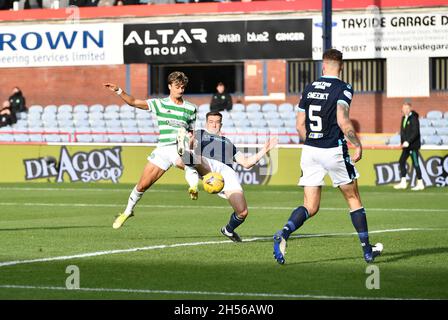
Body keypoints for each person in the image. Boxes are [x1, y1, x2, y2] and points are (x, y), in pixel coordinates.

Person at [272, 49, 383, 265]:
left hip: (310, 150)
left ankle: (284, 232)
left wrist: (313, 142)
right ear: (341, 67)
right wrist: (357, 143)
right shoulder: (344, 88)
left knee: (310, 206)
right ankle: (367, 250)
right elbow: (343, 119)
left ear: (323, 65)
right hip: (333, 149)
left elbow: (299, 125)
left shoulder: (309, 87)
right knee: (353, 199)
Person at [103, 71, 200, 229]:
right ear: (170, 86)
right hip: (162, 150)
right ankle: (127, 212)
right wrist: (118, 90)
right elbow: (134, 102)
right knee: (142, 186)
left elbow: (191, 132)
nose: (181, 89)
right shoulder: (160, 104)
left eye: (183, 87)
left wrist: (190, 141)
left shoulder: (191, 108)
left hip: (178, 147)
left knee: (188, 163)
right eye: (177, 86)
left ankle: (194, 187)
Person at [179, 111, 277, 242]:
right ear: (206, 123)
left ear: (221, 124)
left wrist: (264, 150)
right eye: (211, 122)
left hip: (227, 173)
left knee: (242, 212)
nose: (214, 125)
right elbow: (191, 144)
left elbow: (246, 163)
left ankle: (228, 230)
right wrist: (188, 140)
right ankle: (185, 155)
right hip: (208, 164)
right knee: (196, 158)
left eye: (217, 122)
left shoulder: (229, 143)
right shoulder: (199, 134)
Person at [394, 102, 424, 191]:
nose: (405, 110)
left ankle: (420, 183)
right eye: (404, 108)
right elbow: (403, 132)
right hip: (406, 146)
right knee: (401, 161)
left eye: (407, 108)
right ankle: (403, 182)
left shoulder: (414, 118)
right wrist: (402, 142)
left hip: (413, 146)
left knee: (415, 163)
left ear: (410, 109)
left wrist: (408, 141)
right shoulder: (403, 118)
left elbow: (415, 132)